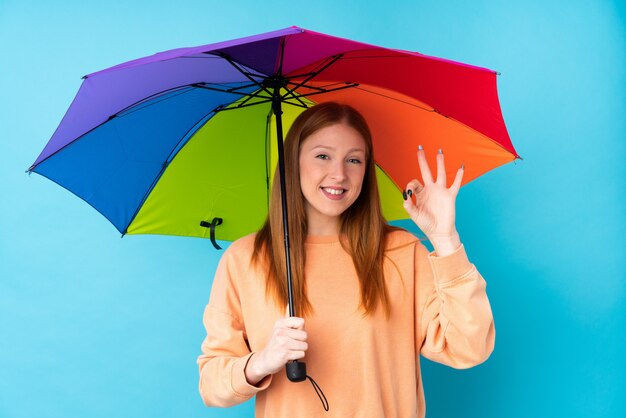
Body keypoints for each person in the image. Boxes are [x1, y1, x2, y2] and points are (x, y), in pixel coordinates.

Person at [197, 102, 495, 417]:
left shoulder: (401, 252)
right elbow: (211, 385)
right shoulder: (245, 259)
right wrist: (262, 361)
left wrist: (445, 239)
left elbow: (469, 348)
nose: (339, 174)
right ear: (292, 163)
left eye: (354, 160)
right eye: (322, 156)